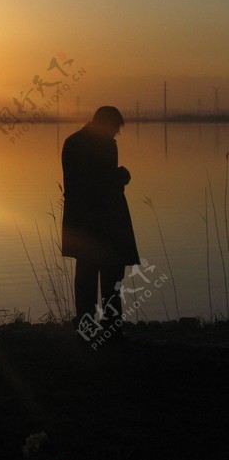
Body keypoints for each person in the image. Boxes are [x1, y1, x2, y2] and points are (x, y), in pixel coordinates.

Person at [61, 106, 139, 341]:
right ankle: (113, 327)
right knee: (112, 276)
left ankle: (85, 328)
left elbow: (79, 182)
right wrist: (122, 176)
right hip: (106, 223)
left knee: (85, 274)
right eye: (116, 129)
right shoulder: (104, 145)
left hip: (79, 221)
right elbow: (103, 183)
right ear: (107, 124)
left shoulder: (71, 142)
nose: (116, 133)